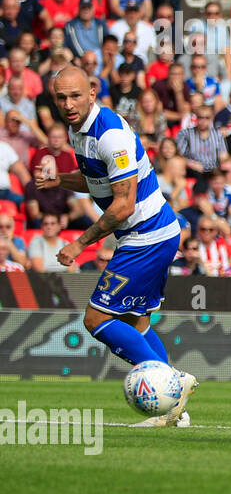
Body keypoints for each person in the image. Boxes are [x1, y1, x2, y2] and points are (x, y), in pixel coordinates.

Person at [39, 66, 193, 427]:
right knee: (135, 322)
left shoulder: (109, 134)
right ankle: (175, 410)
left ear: (92, 92)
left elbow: (123, 204)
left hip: (147, 236)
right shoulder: (81, 131)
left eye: (75, 95)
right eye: (61, 97)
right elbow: (97, 181)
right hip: (147, 234)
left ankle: (173, 382)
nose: (68, 103)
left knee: (96, 319)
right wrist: (60, 179)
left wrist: (79, 244)